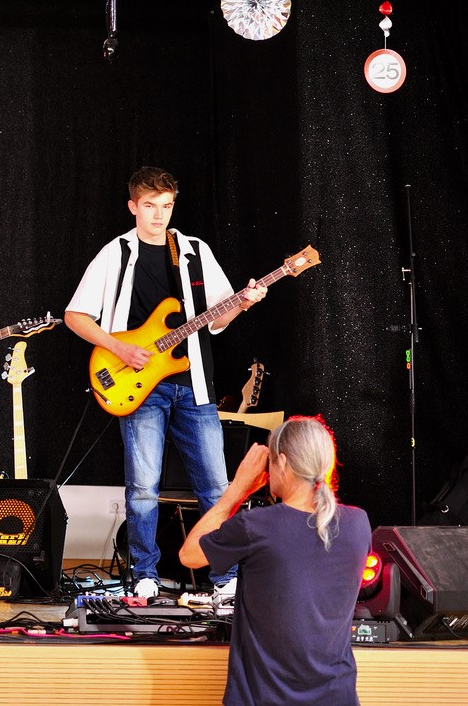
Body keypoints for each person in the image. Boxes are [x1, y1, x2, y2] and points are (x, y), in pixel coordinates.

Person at [64, 166, 267, 599]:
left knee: (216, 486)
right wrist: (119, 349)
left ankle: (225, 578)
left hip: (195, 384)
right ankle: (145, 575)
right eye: (150, 206)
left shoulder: (194, 251)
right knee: (143, 488)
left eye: (167, 206)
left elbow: (218, 318)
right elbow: (75, 316)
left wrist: (244, 302)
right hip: (139, 385)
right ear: (133, 207)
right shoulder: (116, 253)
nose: (159, 215)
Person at [179, 416, 371, 706]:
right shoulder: (358, 523)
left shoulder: (257, 525)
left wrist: (237, 489)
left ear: (281, 462)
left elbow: (189, 555)